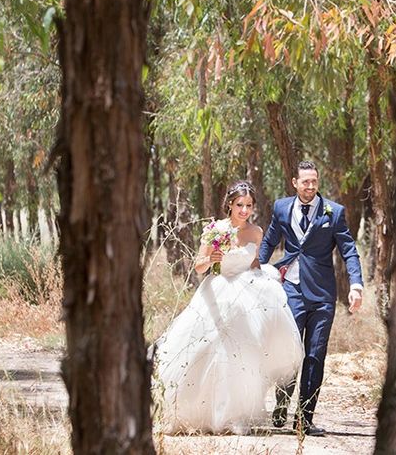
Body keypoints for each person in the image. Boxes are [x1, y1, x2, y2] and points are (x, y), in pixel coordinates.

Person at [153, 181, 304, 435]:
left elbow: (254, 262)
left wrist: (266, 280)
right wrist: (210, 258)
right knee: (210, 350)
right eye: (239, 205)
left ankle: (234, 415)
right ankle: (198, 411)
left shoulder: (256, 231)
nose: (244, 210)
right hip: (219, 291)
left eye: (249, 206)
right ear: (230, 205)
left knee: (242, 354)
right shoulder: (215, 229)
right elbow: (199, 267)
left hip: (246, 293)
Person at [258, 160, 363, 437]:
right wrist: (254, 271)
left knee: (315, 355)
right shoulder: (281, 207)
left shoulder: (334, 212)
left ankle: (304, 418)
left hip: (322, 296)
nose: (310, 186)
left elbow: (349, 250)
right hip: (290, 290)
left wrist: (356, 284)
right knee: (290, 352)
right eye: (305, 181)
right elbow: (269, 241)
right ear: (295, 182)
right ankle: (282, 404)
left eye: (314, 181)